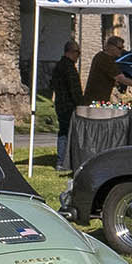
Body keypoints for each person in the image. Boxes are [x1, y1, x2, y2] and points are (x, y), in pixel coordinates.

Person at [47, 39, 83, 171]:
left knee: (64, 132)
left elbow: (52, 84)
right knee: (67, 133)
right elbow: (74, 89)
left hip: (60, 104)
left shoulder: (59, 65)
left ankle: (62, 161)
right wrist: (80, 104)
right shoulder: (68, 67)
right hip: (68, 106)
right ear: (71, 52)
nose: (78, 56)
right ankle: (63, 161)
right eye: (78, 53)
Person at [84, 34, 128, 103]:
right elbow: (121, 79)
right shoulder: (105, 59)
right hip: (96, 102)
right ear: (111, 47)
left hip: (97, 100)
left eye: (122, 48)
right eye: (120, 48)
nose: (122, 50)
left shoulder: (100, 56)